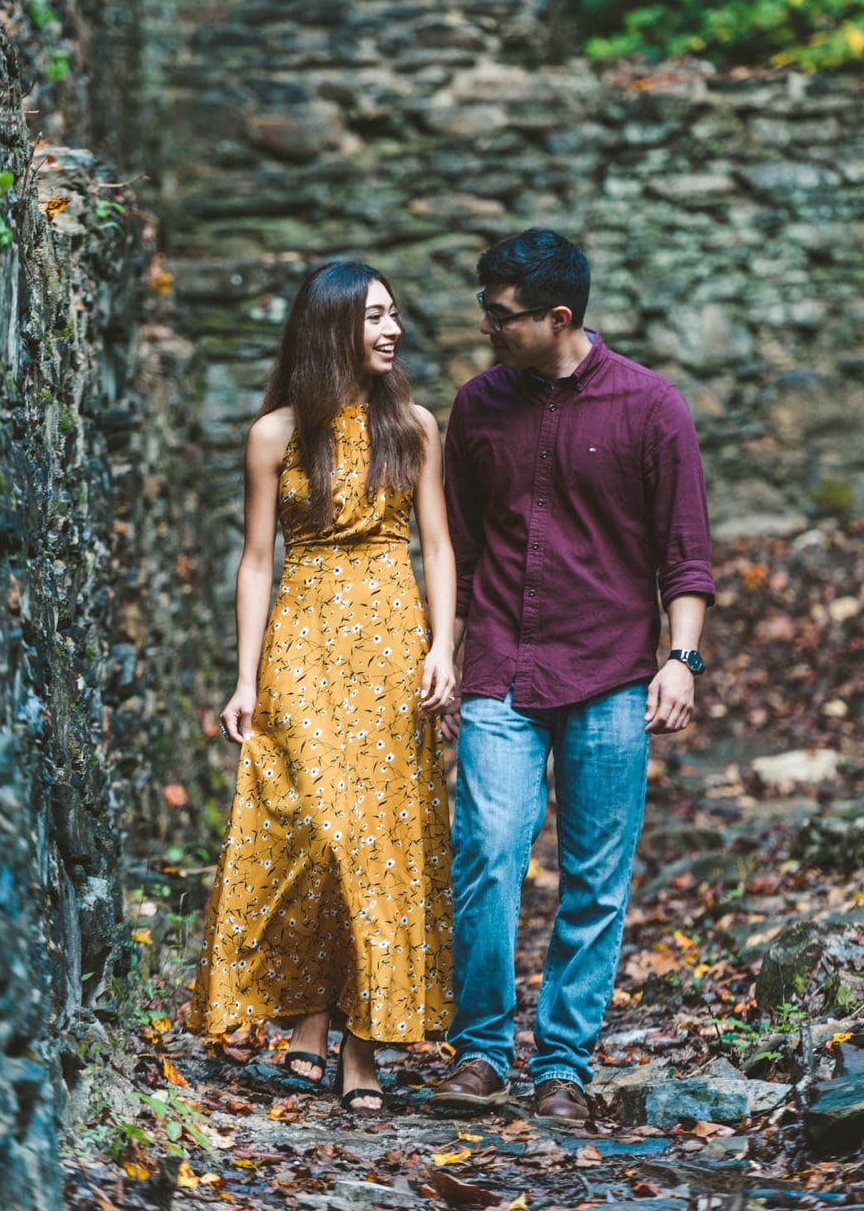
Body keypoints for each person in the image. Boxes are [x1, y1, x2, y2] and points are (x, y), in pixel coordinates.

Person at [430, 228, 715, 1125]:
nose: (486, 326)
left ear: (558, 317)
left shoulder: (650, 406)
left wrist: (682, 659)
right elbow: (458, 546)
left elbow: (687, 553)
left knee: (595, 875)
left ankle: (562, 1063)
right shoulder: (476, 408)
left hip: (611, 677)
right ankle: (479, 1052)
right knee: (488, 855)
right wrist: (450, 652)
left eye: (500, 314)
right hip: (500, 674)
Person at [191, 261, 459, 1114]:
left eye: (394, 315)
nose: (394, 330)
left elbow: (441, 549)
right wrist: (244, 676)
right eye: (376, 316)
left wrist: (443, 649)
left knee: (380, 841)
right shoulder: (275, 433)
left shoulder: (413, 425)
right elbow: (257, 560)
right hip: (302, 638)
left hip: (388, 637)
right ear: (334, 325)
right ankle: (308, 1012)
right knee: (317, 827)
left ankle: (362, 1044)